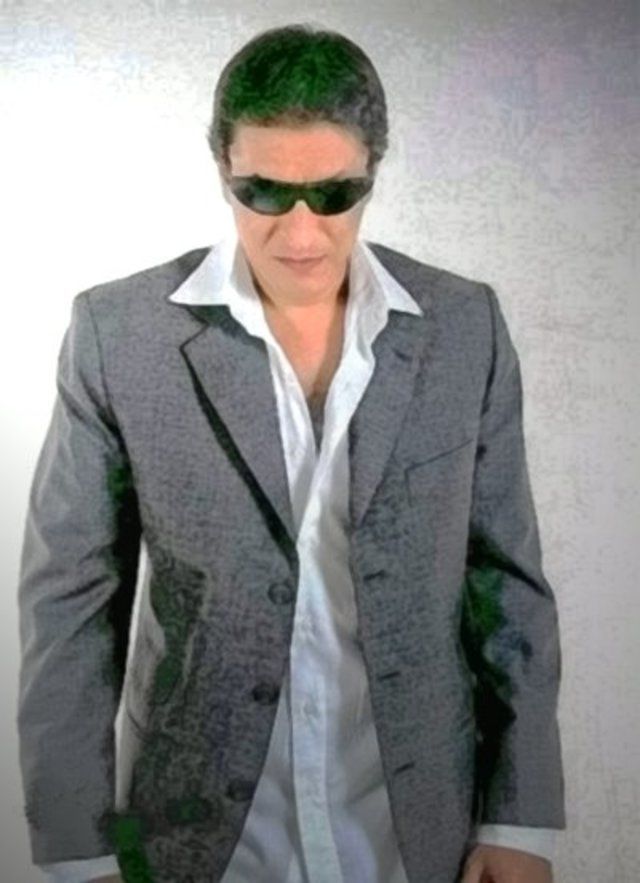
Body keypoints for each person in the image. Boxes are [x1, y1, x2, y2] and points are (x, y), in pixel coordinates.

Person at [16, 22, 565, 883]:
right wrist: (78, 854)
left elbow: (507, 584)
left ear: (373, 173)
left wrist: (518, 821)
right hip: (197, 838)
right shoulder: (117, 334)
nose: (301, 233)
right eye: (264, 193)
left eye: (334, 194)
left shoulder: (467, 327)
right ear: (222, 170)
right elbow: (71, 605)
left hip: (416, 832)